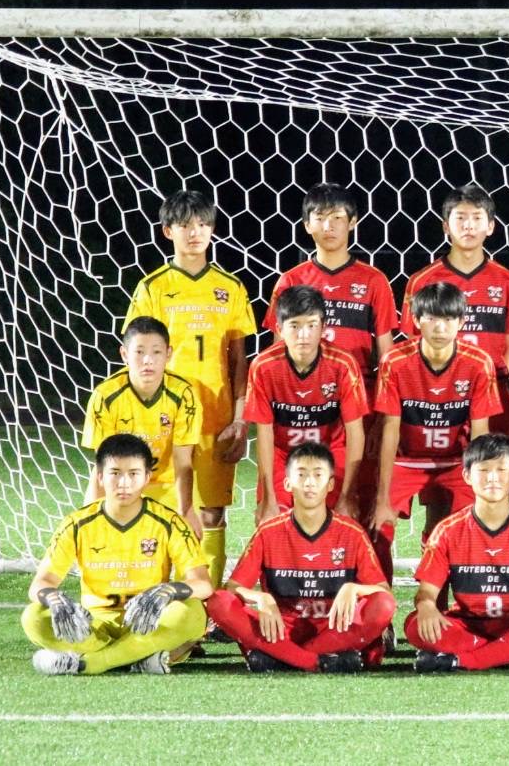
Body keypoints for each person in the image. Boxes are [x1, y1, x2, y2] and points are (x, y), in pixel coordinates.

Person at [124, 189, 257, 582]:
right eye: (185, 225)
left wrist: (240, 418)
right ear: (168, 232)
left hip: (216, 418)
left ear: (213, 229)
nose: (195, 232)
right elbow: (138, 355)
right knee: (163, 508)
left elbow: (239, 360)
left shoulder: (230, 288)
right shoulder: (152, 287)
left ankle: (207, 601)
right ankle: (158, 596)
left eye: (202, 224)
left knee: (212, 512)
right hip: (165, 419)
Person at [22, 434, 213, 675]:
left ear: (147, 477)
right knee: (33, 617)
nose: (124, 483)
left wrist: (169, 590)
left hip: (148, 621)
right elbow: (41, 582)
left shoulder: (169, 522)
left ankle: (89, 663)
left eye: (133, 474)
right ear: (100, 477)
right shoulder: (77, 524)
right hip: (93, 625)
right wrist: (53, 598)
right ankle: (136, 657)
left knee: (193, 613)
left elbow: (203, 584)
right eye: (115, 473)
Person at [264, 182, 397, 515]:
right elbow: (276, 354)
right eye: (320, 218)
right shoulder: (291, 280)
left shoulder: (373, 280)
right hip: (300, 405)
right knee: (294, 501)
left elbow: (387, 354)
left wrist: (383, 414)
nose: (329, 226)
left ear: (353, 222)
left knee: (355, 503)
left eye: (337, 217)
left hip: (358, 406)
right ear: (307, 225)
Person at [206, 442, 392, 672]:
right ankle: (316, 661)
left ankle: (282, 658)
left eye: (318, 475)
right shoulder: (268, 532)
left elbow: (383, 593)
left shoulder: (351, 533)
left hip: (334, 629)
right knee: (219, 602)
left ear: (330, 484)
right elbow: (233, 588)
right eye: (301, 474)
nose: (309, 483)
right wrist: (261, 598)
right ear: (287, 483)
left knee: (383, 605)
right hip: (280, 630)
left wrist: (354, 589)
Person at [407, 434, 509, 672]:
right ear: (466, 476)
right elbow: (426, 592)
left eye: (501, 470)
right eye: (483, 470)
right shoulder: (447, 530)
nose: (492, 478)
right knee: (415, 625)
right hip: (468, 626)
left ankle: (460, 661)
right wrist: (426, 607)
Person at [370, 283, 503, 579]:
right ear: (416, 321)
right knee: (378, 527)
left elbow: (480, 434)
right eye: (431, 318)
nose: (440, 327)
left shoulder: (478, 363)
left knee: (464, 531)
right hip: (406, 461)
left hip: (456, 462)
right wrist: (382, 499)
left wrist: (478, 490)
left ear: (462, 322)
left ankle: (440, 601)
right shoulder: (395, 361)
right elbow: (390, 429)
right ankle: (380, 601)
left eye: (448, 319)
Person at [401, 183, 509, 438]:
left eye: (477, 218)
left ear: (490, 226)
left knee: (496, 459)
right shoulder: (422, 281)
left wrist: (493, 383)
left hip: (492, 392)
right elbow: (412, 341)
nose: (468, 226)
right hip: (439, 396)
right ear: (445, 226)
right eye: (460, 218)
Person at [242, 285, 369, 522]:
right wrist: (268, 498)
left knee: (340, 521)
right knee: (272, 522)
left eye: (312, 325)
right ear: (279, 329)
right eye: (295, 326)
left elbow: (355, 432)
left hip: (330, 451)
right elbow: (264, 433)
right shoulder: (264, 367)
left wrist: (348, 494)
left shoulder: (343, 364)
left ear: (323, 327)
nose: (304, 335)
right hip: (283, 454)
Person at [80, 316, 200, 510]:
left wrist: (186, 510)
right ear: (124, 354)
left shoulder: (184, 395)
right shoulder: (105, 396)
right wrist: (93, 515)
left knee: (189, 523)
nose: (148, 360)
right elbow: (106, 462)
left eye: (156, 352)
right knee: (94, 525)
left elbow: (183, 461)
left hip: (168, 485)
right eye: (139, 352)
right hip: (122, 485)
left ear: (168, 354)